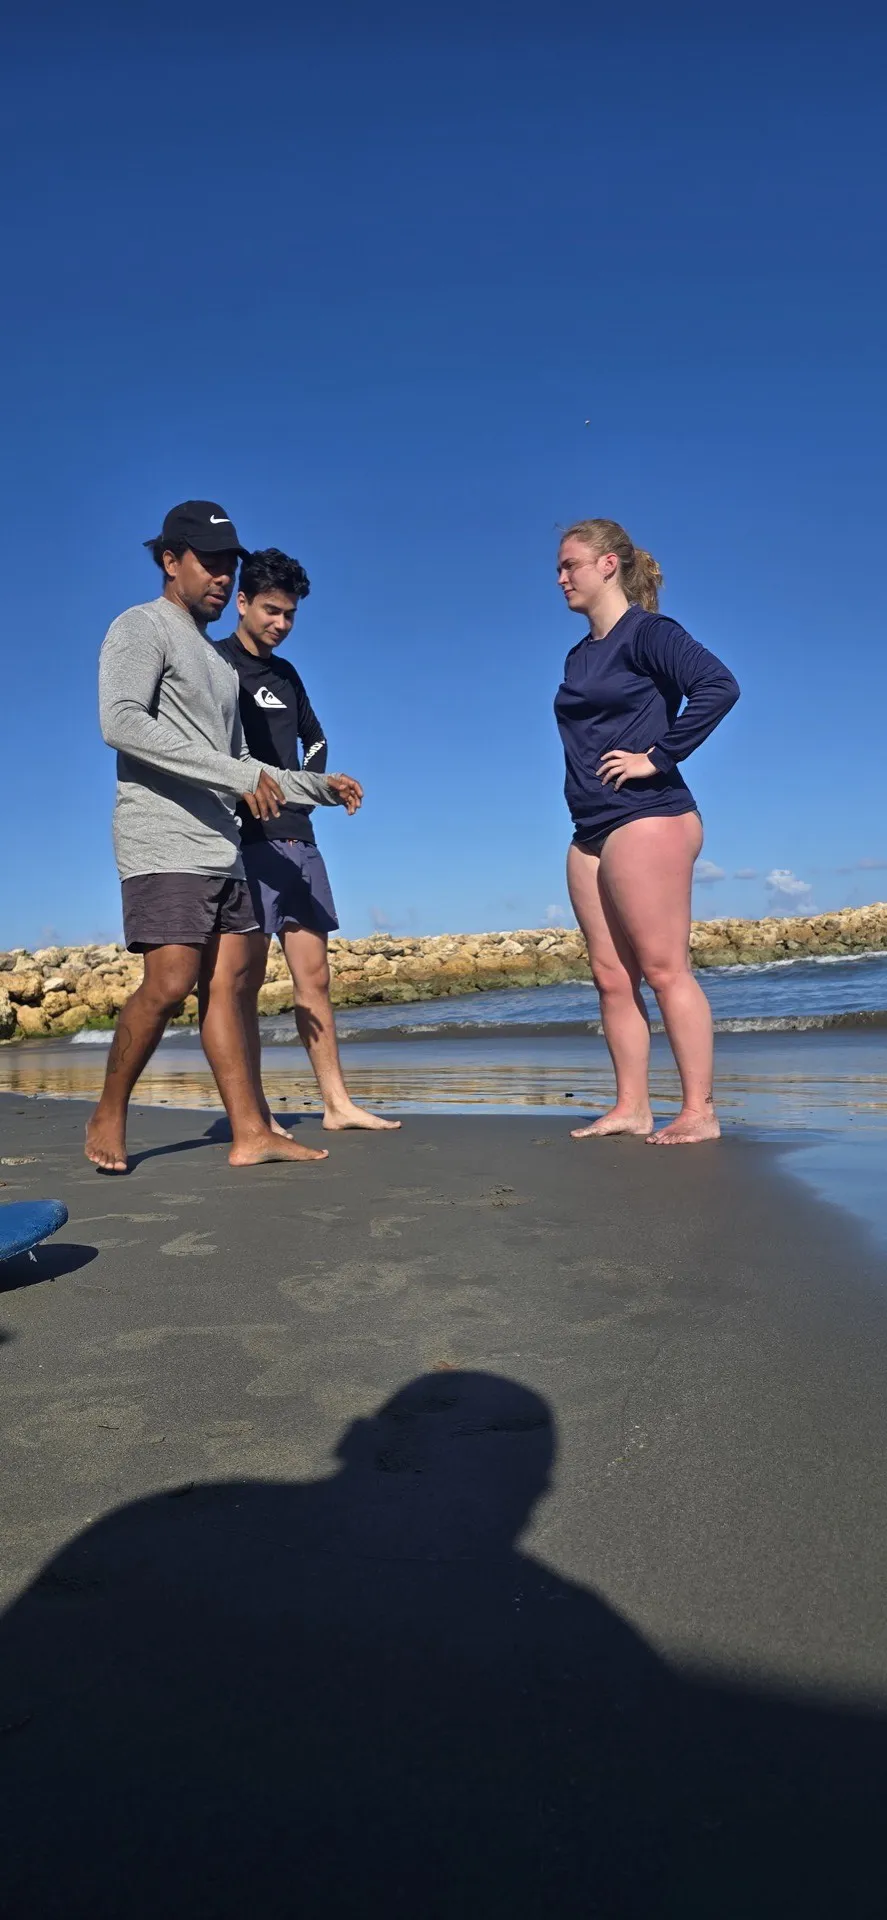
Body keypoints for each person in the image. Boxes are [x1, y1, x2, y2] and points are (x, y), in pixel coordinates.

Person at [86, 502, 363, 1175]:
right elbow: (119, 723)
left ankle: (250, 1131)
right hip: (163, 835)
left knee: (229, 987)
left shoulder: (217, 669)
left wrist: (319, 787)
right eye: (206, 561)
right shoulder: (140, 627)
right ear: (169, 560)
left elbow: (249, 767)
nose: (218, 574)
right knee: (172, 980)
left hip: (222, 844)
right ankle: (110, 1107)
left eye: (226, 563)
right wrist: (233, 774)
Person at [554, 518, 739, 1146]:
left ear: (609, 564)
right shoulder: (580, 653)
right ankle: (631, 1106)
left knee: (665, 971)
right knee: (611, 977)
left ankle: (699, 1111)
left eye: (570, 565)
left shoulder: (649, 633)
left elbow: (718, 686)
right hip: (589, 829)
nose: (561, 579)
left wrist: (658, 756)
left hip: (648, 815)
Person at [216, 548, 400, 1133]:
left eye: (290, 614)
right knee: (239, 984)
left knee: (314, 977)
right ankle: (254, 1112)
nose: (281, 624)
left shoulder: (288, 675)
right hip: (243, 843)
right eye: (271, 610)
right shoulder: (215, 664)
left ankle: (337, 1103)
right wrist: (248, 781)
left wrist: (307, 783)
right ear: (242, 602)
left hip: (299, 838)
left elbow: (316, 739)